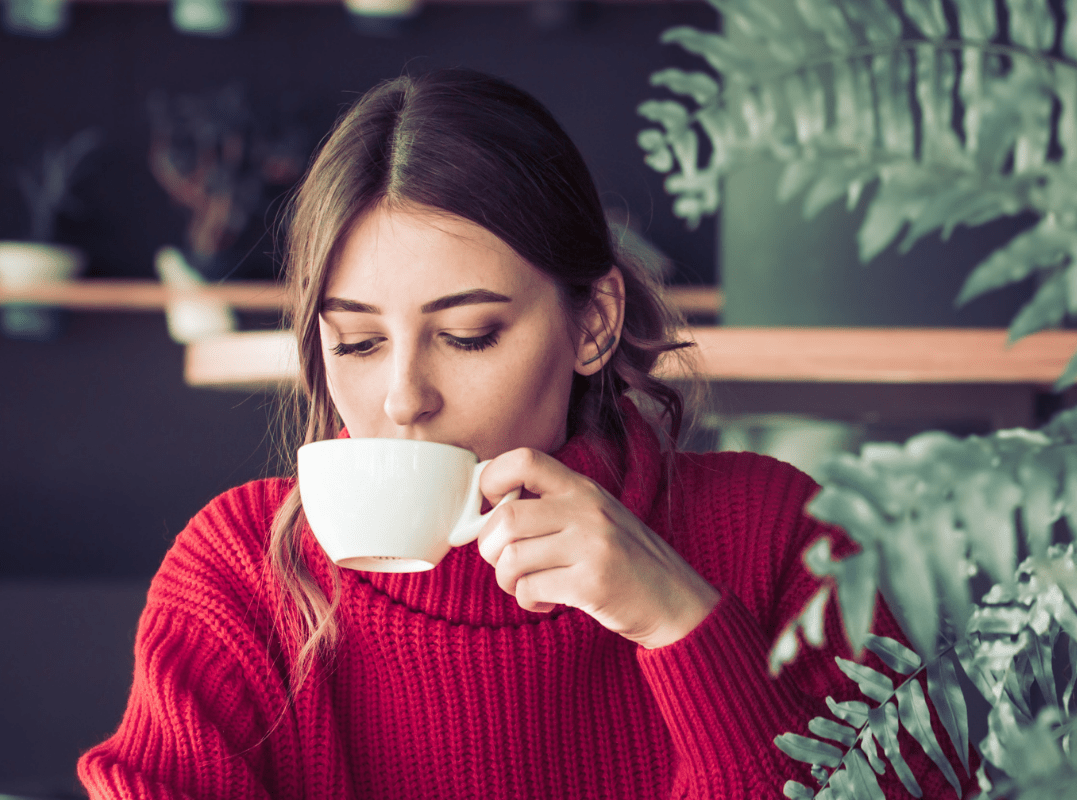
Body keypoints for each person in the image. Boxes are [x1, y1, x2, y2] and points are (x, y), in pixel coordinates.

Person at [79, 69, 972, 799]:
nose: (401, 399)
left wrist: (682, 627)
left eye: (467, 335)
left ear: (593, 324)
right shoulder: (240, 575)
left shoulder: (776, 533)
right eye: (356, 341)